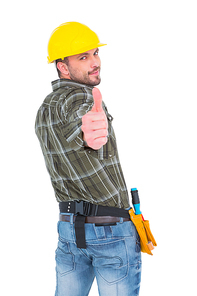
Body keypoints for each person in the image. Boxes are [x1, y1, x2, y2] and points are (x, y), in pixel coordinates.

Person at [35, 21, 142, 296]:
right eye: (83, 57)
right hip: (111, 232)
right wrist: (90, 131)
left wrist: (86, 133)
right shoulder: (82, 99)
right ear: (62, 66)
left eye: (95, 53)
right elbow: (81, 124)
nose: (95, 62)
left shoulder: (44, 108)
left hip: (70, 232)